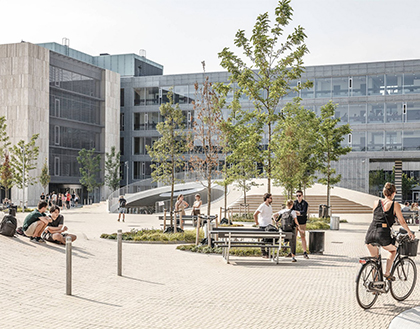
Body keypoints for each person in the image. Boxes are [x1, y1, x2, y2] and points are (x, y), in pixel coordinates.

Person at [365, 182, 415, 280]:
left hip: (370, 233)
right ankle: (387, 273)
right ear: (393, 193)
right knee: (393, 250)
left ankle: (375, 286)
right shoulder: (395, 204)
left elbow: (377, 216)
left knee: (375, 260)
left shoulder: (376, 202)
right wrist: (409, 231)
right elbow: (402, 221)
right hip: (382, 234)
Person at [254, 193, 273, 258]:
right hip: (263, 225)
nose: (271, 199)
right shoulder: (262, 206)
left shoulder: (270, 206)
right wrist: (257, 222)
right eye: (270, 198)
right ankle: (264, 253)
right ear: (267, 199)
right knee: (263, 240)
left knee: (269, 239)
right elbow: (255, 214)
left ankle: (268, 253)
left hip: (269, 225)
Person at [292, 190, 309, 259]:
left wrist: (298, 213)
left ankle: (305, 252)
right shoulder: (294, 203)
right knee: (294, 237)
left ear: (302, 196)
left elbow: (304, 212)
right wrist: (298, 213)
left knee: (302, 237)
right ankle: (293, 252)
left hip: (302, 222)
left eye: (299, 195)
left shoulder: (305, 203)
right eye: (297, 195)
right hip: (295, 222)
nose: (298, 197)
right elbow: (292, 211)